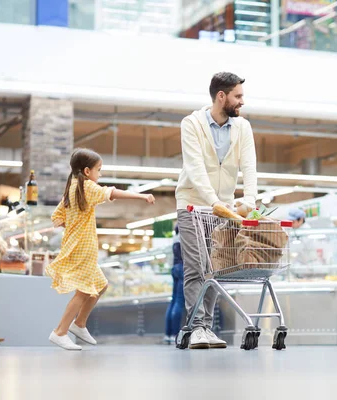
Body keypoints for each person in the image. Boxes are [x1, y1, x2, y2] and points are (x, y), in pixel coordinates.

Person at [175, 72, 258, 349]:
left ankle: (206, 328)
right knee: (196, 267)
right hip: (193, 204)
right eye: (238, 96)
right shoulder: (192, 124)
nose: (242, 101)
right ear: (221, 96)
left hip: (223, 208)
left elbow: (249, 165)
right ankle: (197, 326)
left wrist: (250, 199)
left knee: (215, 268)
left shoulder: (242, 127)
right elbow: (194, 167)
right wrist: (213, 202)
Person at [46, 148, 155, 351]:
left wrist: (73, 226)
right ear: (87, 171)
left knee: (101, 285)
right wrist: (141, 196)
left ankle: (79, 324)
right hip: (82, 249)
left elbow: (57, 216)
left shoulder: (73, 188)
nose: (100, 174)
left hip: (80, 248)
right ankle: (60, 332)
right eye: (99, 169)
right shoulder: (86, 187)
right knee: (82, 293)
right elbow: (111, 192)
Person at [164, 225, 184, 344]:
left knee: (173, 301)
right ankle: (175, 333)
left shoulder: (175, 238)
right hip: (183, 268)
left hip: (175, 268)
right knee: (179, 302)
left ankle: (168, 334)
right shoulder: (184, 238)